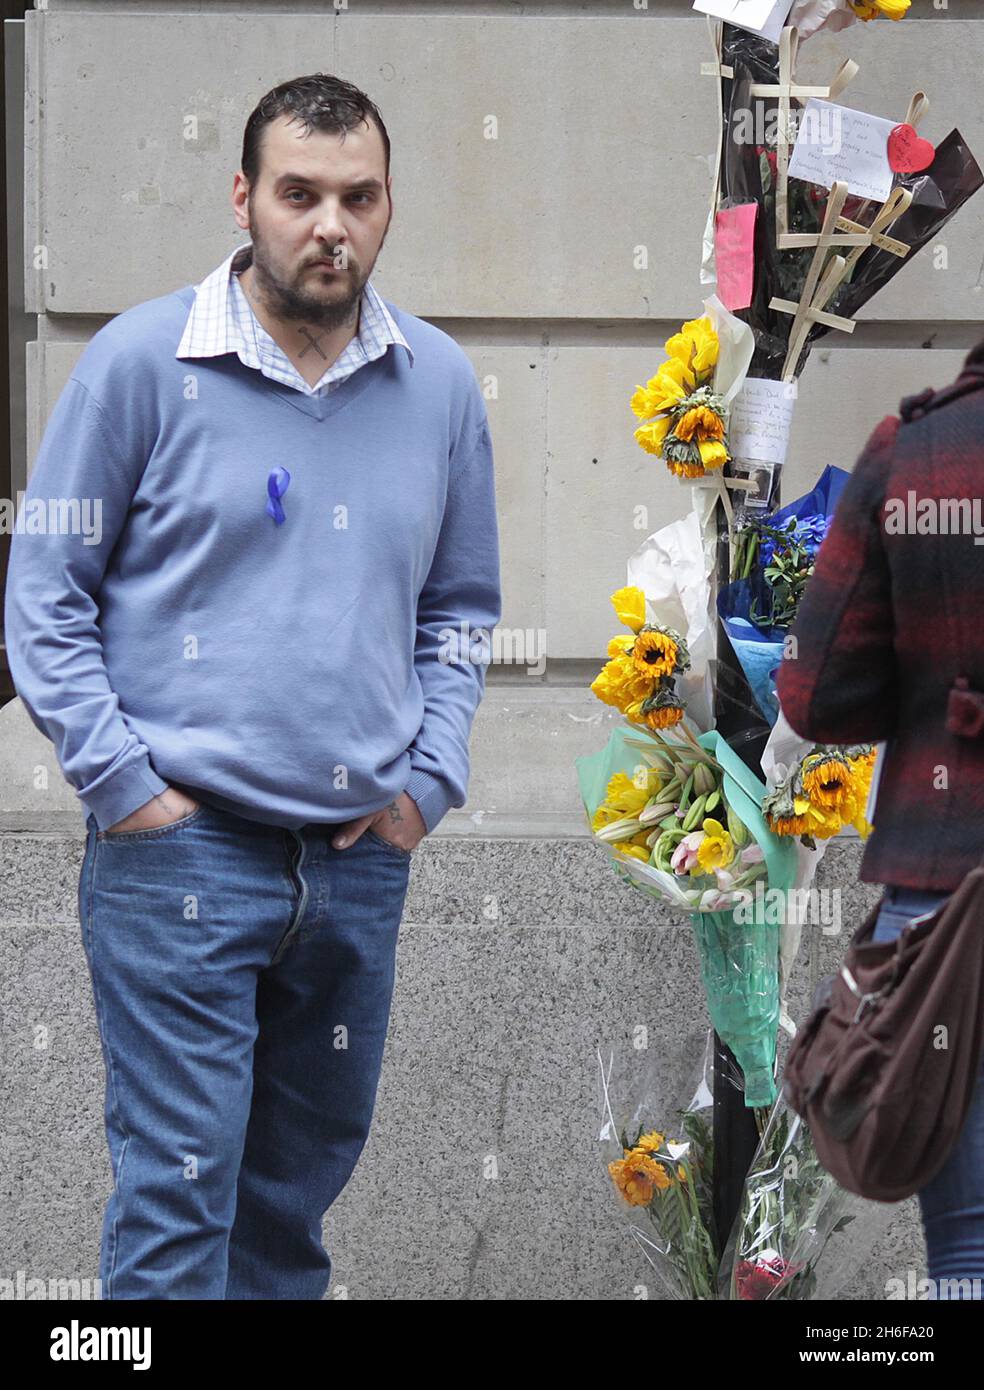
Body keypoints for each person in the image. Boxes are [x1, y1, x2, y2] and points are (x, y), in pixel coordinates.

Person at [3, 73, 501, 1299]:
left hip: (355, 864)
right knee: (177, 1206)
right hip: (182, 855)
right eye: (298, 193)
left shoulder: (438, 386)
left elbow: (462, 612)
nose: (329, 223)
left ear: (388, 209)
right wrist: (125, 787)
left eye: (358, 197)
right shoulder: (137, 363)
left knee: (289, 1214)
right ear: (244, 198)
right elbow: (42, 595)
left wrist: (424, 785)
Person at [775, 343, 984, 1300]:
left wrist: (934, 694)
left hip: (946, 917)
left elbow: (817, 695)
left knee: (969, 1256)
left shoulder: (921, 449)